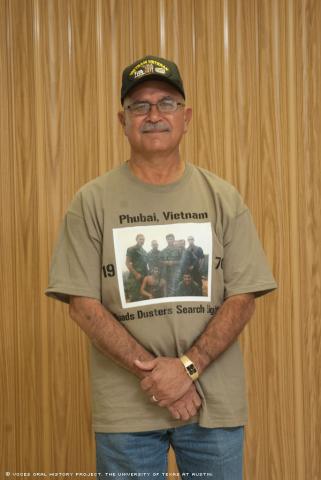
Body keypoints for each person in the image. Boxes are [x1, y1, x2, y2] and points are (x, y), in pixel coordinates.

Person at [46, 55, 277, 478]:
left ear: (186, 117)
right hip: (127, 414)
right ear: (123, 119)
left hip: (214, 408)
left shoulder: (223, 197)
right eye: (140, 106)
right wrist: (159, 378)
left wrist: (187, 368)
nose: (154, 115)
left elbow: (243, 297)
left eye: (166, 103)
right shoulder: (91, 202)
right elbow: (81, 304)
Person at [125, 233, 148, 302]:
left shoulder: (144, 252)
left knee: (143, 297)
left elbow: (145, 265)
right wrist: (136, 274)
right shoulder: (131, 249)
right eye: (140, 239)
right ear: (136, 240)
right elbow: (127, 263)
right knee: (135, 298)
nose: (142, 241)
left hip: (143, 277)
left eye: (143, 239)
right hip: (135, 277)